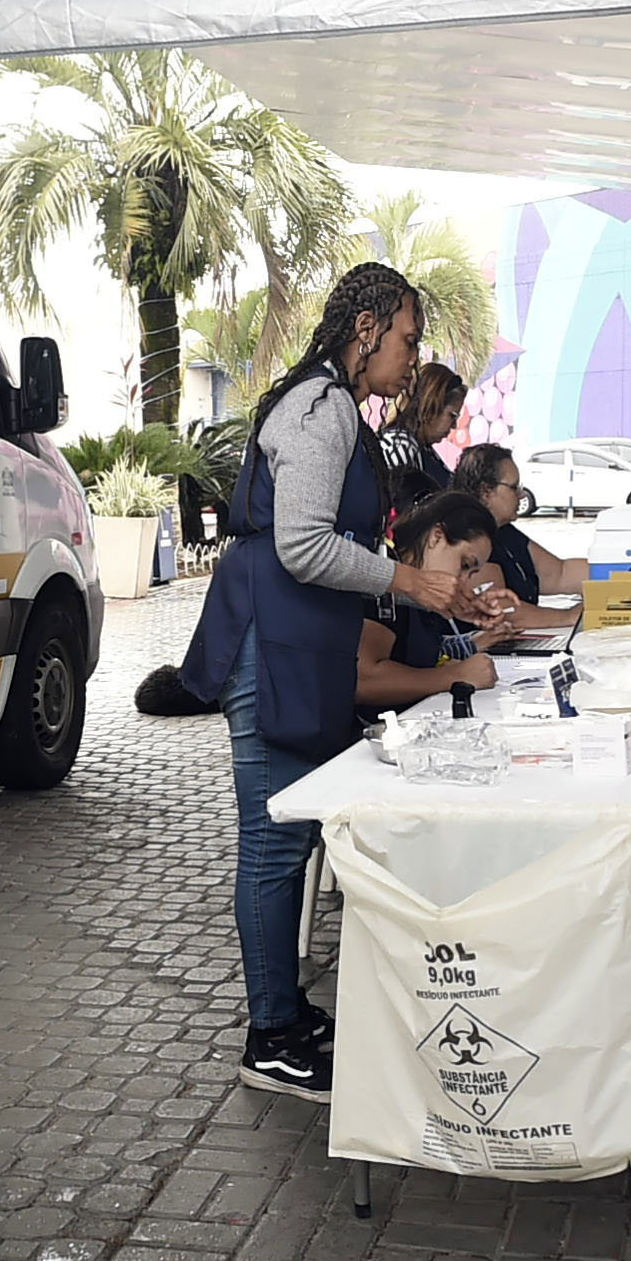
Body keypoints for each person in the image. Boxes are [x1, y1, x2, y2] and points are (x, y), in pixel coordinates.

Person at [178, 263, 496, 1103]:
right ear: (366, 328)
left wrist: (425, 591)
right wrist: (408, 579)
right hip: (270, 642)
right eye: (407, 339)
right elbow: (303, 545)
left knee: (292, 834)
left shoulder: (338, 409)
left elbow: (335, 552)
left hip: (299, 640)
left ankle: (285, 1010)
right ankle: (271, 1037)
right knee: (274, 842)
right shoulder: (320, 410)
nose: (412, 357)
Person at [358, 490, 507, 715]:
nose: (462, 580)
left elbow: (412, 650)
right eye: (465, 565)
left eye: (471, 573)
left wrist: (470, 644)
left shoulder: (418, 592)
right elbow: (364, 680)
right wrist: (453, 676)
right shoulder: (388, 580)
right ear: (436, 537)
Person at [452, 442, 591, 630]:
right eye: (514, 487)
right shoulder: (469, 538)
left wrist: (616, 574)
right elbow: (503, 610)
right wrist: (568, 616)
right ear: (486, 492)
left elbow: (560, 573)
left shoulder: (506, 532)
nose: (522, 495)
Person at [376, 361, 463, 516]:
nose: (454, 425)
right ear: (431, 407)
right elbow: (404, 513)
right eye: (452, 415)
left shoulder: (423, 449)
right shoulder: (400, 445)